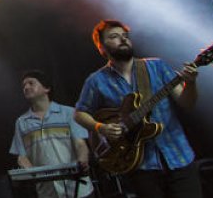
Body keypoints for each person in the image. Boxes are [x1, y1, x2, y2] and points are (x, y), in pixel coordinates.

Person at [74, 20, 201, 198]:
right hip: (138, 165)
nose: (123, 39)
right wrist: (101, 128)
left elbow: (187, 103)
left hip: (178, 157)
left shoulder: (157, 66)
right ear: (102, 47)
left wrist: (191, 83)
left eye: (125, 36)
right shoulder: (96, 81)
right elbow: (79, 114)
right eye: (114, 37)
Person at [10, 70, 92, 198]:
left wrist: (82, 162)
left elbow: (80, 144)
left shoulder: (69, 113)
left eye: (31, 83)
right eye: (24, 86)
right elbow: (22, 157)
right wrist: (33, 174)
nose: (26, 87)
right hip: (46, 192)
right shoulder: (21, 122)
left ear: (46, 88)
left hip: (77, 188)